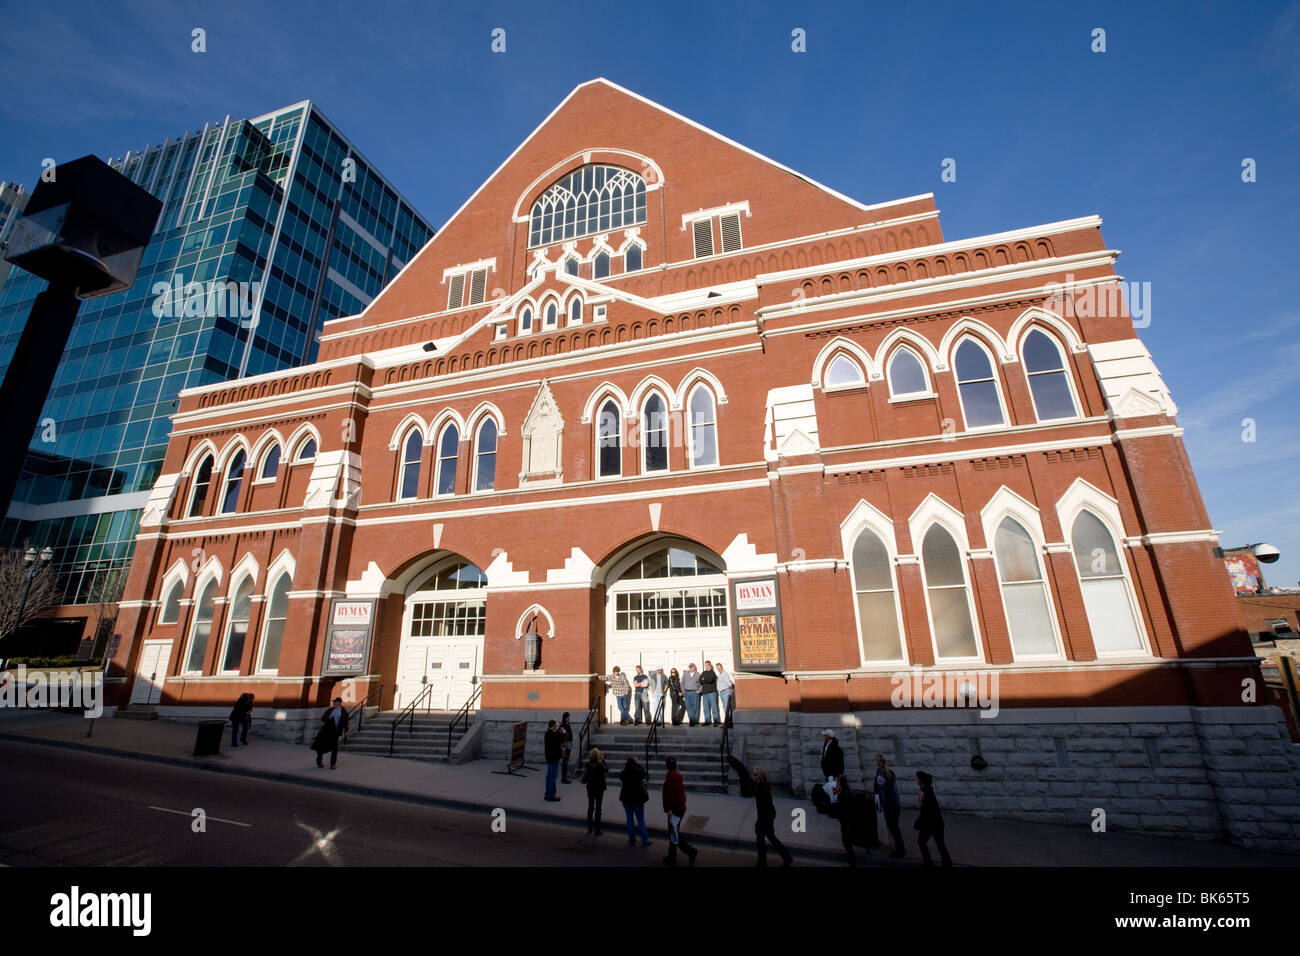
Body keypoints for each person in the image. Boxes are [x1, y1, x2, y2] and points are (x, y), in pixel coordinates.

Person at [729, 755, 792, 867]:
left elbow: (748, 785)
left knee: (760, 839)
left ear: (759, 777)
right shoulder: (761, 785)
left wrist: (761, 821)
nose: (753, 777)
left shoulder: (761, 788)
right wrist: (737, 765)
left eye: (755, 775)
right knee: (770, 837)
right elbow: (745, 776)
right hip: (768, 814)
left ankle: (762, 862)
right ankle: (786, 857)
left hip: (765, 816)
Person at [661, 756, 698, 866]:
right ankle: (671, 857)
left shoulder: (673, 776)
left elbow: (672, 796)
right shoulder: (674, 774)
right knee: (673, 832)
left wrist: (670, 809)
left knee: (674, 833)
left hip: (675, 810)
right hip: (677, 808)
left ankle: (690, 851)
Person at [915, 770, 953, 867]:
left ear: (921, 781)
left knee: (922, 842)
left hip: (932, 824)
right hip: (936, 823)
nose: (916, 780)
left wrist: (918, 823)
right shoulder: (925, 789)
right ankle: (946, 864)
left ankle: (929, 863)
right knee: (940, 845)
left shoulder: (927, 793)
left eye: (917, 778)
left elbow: (926, 811)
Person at [874, 753, 905, 859]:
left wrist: (882, 805)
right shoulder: (888, 772)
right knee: (894, 827)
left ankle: (900, 850)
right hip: (895, 804)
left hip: (890, 807)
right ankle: (900, 848)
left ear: (878, 762)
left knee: (894, 828)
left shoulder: (882, 775)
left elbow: (882, 793)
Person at [618, 756, 652, 847]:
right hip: (637, 798)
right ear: (635, 764)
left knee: (629, 819)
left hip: (627, 798)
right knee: (640, 819)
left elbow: (620, 776)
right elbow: (644, 773)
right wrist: (638, 764)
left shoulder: (624, 773)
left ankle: (631, 839)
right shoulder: (638, 772)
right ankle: (645, 840)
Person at [311, 697, 349, 769]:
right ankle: (319, 761)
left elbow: (346, 721)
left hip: (335, 732)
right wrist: (328, 717)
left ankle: (333, 764)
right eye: (334, 702)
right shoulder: (330, 710)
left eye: (336, 702)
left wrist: (346, 730)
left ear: (340, 703)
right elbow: (323, 719)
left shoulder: (343, 711)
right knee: (321, 747)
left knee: (334, 748)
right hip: (327, 731)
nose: (335, 703)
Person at [585, 747, 608, 835]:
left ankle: (589, 828)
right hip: (599, 788)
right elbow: (607, 769)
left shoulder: (587, 764)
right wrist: (603, 760)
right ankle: (597, 829)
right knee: (598, 809)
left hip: (590, 787)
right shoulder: (600, 765)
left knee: (590, 808)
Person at [543, 719, 563, 801]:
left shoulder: (547, 734)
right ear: (553, 725)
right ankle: (551, 795)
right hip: (554, 758)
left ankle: (547, 794)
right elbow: (561, 739)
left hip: (549, 758)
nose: (557, 726)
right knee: (553, 777)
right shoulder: (554, 735)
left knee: (549, 776)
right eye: (556, 725)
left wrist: (558, 732)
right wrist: (563, 733)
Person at [699, 661, 719, 726]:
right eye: (705, 665)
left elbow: (710, 680)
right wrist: (703, 679)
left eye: (707, 665)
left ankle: (716, 721)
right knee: (706, 708)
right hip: (704, 693)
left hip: (712, 692)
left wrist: (704, 679)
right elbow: (700, 679)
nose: (706, 666)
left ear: (710, 665)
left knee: (714, 707)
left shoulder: (712, 673)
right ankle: (707, 721)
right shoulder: (703, 672)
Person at [715, 663, 735, 728]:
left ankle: (729, 723)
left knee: (727, 708)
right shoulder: (720, 674)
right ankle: (727, 722)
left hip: (725, 692)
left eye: (719, 668)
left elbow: (729, 683)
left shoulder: (724, 674)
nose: (718, 669)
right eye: (717, 668)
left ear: (722, 667)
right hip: (722, 693)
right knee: (725, 708)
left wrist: (732, 687)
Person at [559, 711, 574, 784]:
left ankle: (564, 777)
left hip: (569, 744)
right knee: (565, 761)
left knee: (566, 761)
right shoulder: (563, 725)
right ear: (565, 718)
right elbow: (561, 733)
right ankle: (564, 778)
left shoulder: (567, 724)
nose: (569, 718)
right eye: (568, 717)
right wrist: (566, 735)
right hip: (565, 745)